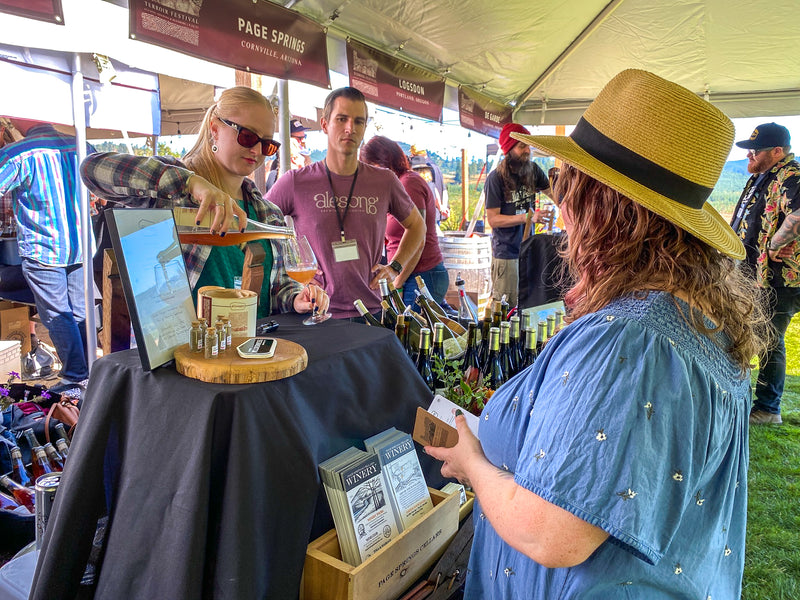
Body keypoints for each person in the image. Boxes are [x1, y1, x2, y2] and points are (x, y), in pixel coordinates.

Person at [425, 69, 768, 599]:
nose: (560, 204)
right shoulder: (694, 317)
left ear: (602, 206)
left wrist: (472, 461)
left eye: (566, 184)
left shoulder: (629, 342)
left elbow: (550, 534)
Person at [80, 86, 328, 320]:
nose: (256, 150)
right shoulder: (174, 190)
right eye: (248, 136)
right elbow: (92, 169)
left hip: (250, 352)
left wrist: (296, 298)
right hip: (183, 352)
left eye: (267, 144)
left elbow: (276, 290)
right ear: (215, 129)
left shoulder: (267, 213)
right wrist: (190, 183)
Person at [267, 87, 426, 320]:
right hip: (316, 312)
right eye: (341, 119)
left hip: (371, 312)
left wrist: (395, 268)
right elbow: (258, 228)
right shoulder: (295, 182)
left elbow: (417, 226)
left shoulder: (384, 181)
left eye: (358, 122)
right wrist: (290, 271)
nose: (350, 128)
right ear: (324, 124)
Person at [0, 118, 94, 394]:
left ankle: (76, 377)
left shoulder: (19, 153)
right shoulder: (81, 145)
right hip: (81, 245)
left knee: (57, 314)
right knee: (78, 311)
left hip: (45, 247)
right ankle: (90, 374)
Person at [730, 122, 800, 424]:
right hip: (754, 276)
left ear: (776, 151)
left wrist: (773, 244)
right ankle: (746, 397)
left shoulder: (792, 175)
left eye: (754, 151)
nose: (749, 156)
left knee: (770, 338)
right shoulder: (763, 176)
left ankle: (768, 409)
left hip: (780, 280)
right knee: (752, 333)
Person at [360, 135, 449, 307]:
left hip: (421, 275)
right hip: (409, 276)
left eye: (373, 167)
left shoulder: (408, 183)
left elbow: (419, 238)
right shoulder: (393, 185)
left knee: (409, 332)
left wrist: (397, 280)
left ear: (387, 160)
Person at [485, 122, 552, 308]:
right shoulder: (496, 179)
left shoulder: (533, 170)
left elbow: (555, 194)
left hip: (528, 251)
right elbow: (493, 219)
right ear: (509, 148)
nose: (527, 150)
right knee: (505, 309)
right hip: (506, 254)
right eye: (522, 146)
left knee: (526, 305)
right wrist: (527, 217)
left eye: (528, 145)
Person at [409, 145, 449, 224]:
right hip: (435, 214)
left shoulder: (423, 170)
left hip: (424, 216)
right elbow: (442, 190)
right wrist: (443, 207)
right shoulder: (435, 167)